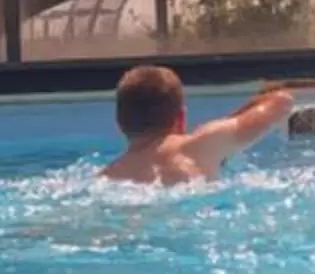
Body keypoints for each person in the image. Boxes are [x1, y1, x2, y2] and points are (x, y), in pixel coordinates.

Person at [101, 64, 296, 184]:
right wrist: (225, 123)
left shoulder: (107, 175)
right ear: (181, 118)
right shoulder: (197, 146)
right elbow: (282, 101)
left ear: (119, 123)